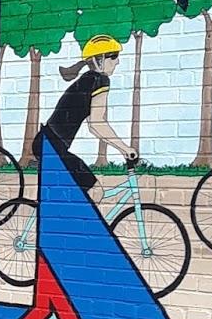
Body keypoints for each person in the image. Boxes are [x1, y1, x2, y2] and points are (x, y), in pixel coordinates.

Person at [32, 34, 137, 203]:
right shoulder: (99, 80)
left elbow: (94, 125)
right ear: (99, 60)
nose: (117, 61)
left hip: (48, 144)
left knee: (76, 195)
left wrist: (122, 148)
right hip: (52, 147)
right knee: (95, 192)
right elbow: (96, 123)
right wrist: (125, 149)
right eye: (113, 56)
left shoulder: (89, 79)